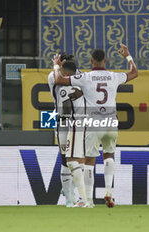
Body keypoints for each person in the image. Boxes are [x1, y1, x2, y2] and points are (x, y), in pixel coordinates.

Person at [53, 43, 138, 208]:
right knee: (109, 155)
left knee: (89, 160)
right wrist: (127, 56)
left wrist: (56, 66)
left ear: (91, 61)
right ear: (105, 60)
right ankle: (108, 191)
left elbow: (58, 80)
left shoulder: (85, 77)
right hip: (111, 121)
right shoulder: (114, 76)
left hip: (92, 122)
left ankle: (88, 200)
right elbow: (134, 73)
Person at [48, 53, 89, 207]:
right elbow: (58, 79)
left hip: (79, 122)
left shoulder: (81, 76)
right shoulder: (53, 76)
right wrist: (57, 66)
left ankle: (81, 196)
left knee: (79, 158)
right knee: (65, 160)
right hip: (63, 122)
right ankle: (69, 197)